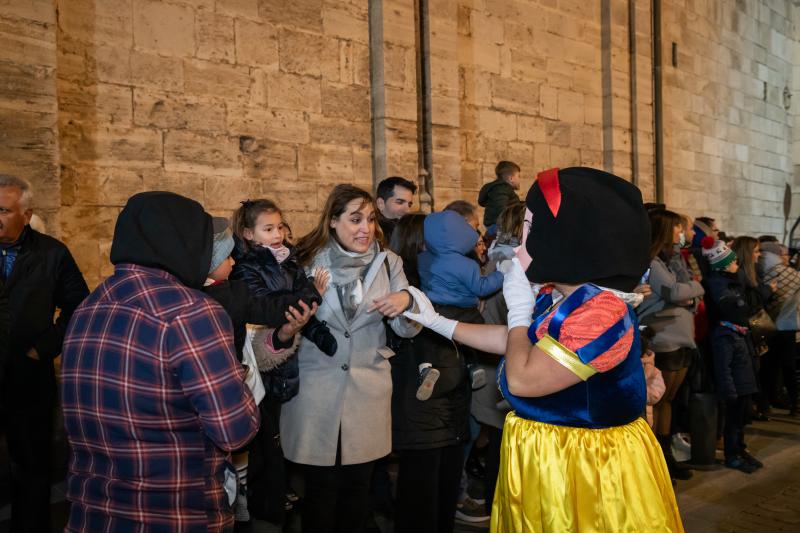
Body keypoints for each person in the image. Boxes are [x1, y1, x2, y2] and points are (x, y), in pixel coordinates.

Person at [403, 166, 683, 532]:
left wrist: (519, 308)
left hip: (585, 466)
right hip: (551, 454)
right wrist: (439, 323)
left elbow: (522, 378)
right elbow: (519, 345)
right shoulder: (567, 297)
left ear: (570, 239)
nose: (520, 244)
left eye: (531, 230)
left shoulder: (601, 313)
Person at [61, 191, 260, 531]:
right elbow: (234, 431)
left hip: (92, 513)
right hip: (172, 514)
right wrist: (238, 380)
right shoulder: (192, 311)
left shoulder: (89, 306)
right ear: (185, 242)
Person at [280, 184, 421, 533]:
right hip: (316, 393)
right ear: (332, 221)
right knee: (319, 495)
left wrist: (406, 302)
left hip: (367, 392)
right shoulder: (305, 263)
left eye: (371, 219)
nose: (366, 228)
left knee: (358, 494)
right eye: (355, 219)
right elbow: (281, 326)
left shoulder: (389, 264)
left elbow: (408, 330)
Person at [202, 217, 321, 524]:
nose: (233, 260)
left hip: (251, 390)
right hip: (225, 402)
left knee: (255, 466)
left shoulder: (235, 288)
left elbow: (262, 340)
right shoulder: (228, 293)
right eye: (227, 256)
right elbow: (267, 309)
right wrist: (307, 296)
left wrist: (293, 319)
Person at [229, 198, 332, 524]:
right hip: (260, 363)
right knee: (264, 444)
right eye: (268, 228)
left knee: (279, 439)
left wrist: (320, 333)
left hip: (285, 357)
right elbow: (268, 305)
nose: (277, 234)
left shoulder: (288, 262)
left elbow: (302, 310)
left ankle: (279, 493)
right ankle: (262, 509)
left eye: (280, 227)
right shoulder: (247, 267)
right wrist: (311, 295)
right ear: (248, 233)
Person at [0, 174, 89, 532]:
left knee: (32, 467)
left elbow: (78, 307)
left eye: (3, 209)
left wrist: (44, 348)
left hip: (28, 379)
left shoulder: (52, 253)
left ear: (26, 213)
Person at [388, 213, 472, 533]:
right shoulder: (410, 289)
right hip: (422, 404)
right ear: (421, 243)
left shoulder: (443, 281)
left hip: (449, 403)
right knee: (421, 495)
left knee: (443, 490)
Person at [637, 209, 704, 481]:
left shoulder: (672, 261)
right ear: (666, 231)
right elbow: (676, 291)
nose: (682, 234)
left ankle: (666, 456)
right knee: (659, 400)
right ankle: (656, 461)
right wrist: (697, 287)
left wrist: (690, 294)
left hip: (680, 336)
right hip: (665, 338)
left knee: (669, 401)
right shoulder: (652, 262)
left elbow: (684, 294)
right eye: (678, 229)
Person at [418, 210, 503, 395]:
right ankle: (474, 366)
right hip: (465, 311)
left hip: (435, 309)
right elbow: (481, 288)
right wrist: (501, 274)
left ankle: (426, 368)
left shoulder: (424, 258)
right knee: (475, 338)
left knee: (434, 342)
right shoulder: (466, 264)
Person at [702, 238, 763, 473]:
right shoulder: (725, 333)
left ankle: (740, 449)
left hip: (743, 377)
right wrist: (728, 390)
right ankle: (732, 454)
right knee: (733, 419)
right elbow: (723, 366)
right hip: (734, 385)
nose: (738, 263)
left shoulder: (738, 329)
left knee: (740, 418)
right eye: (733, 261)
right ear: (725, 265)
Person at [731, 236, 775, 420]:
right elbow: (749, 304)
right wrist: (767, 291)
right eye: (756, 251)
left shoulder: (753, 273)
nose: (759, 255)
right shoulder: (741, 276)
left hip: (752, 334)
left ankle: (751, 410)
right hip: (744, 333)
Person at [759, 241, 800, 416]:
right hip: (787, 326)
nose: (787, 258)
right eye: (784, 254)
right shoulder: (792, 276)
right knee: (788, 366)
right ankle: (794, 403)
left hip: (765, 326)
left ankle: (764, 404)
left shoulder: (761, 273)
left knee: (768, 367)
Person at [478, 161, 521, 236]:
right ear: (511, 178)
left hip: (495, 226)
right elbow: (502, 209)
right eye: (518, 176)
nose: (519, 180)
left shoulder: (498, 189)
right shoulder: (502, 189)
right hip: (500, 227)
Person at [376, 176, 417, 242]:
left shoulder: (410, 230)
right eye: (400, 202)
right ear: (381, 204)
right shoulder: (371, 234)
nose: (407, 210)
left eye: (409, 205)